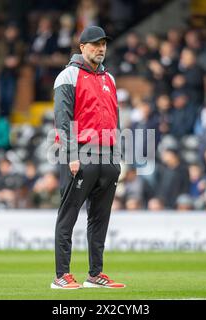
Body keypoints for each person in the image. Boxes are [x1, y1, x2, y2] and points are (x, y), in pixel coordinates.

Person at [52, 26, 125, 289]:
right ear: (81, 47)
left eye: (103, 43)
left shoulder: (110, 79)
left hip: (107, 156)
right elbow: (63, 119)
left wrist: (117, 155)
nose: (100, 48)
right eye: (94, 44)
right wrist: (71, 154)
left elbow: (115, 119)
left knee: (100, 218)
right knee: (68, 215)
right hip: (80, 154)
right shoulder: (67, 76)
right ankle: (61, 275)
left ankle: (95, 274)